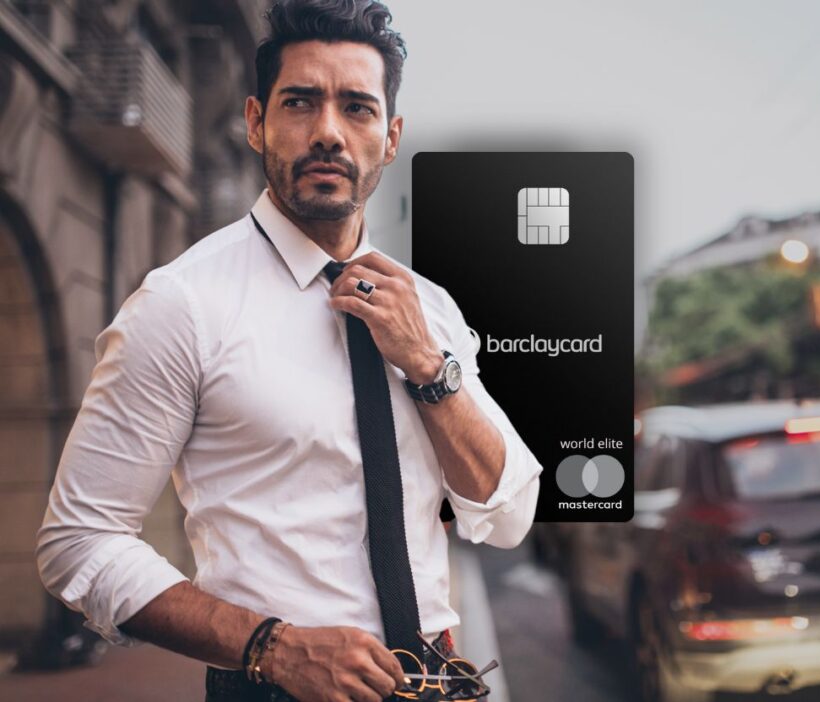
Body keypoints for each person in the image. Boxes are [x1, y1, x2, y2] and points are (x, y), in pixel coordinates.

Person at [35, 1, 543, 700]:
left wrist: (428, 367)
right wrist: (269, 646)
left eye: (357, 108)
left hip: (438, 681)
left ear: (390, 138)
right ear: (255, 121)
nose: (329, 132)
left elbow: (509, 513)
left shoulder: (430, 309)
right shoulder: (182, 304)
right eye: (301, 102)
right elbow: (78, 541)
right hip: (275, 688)